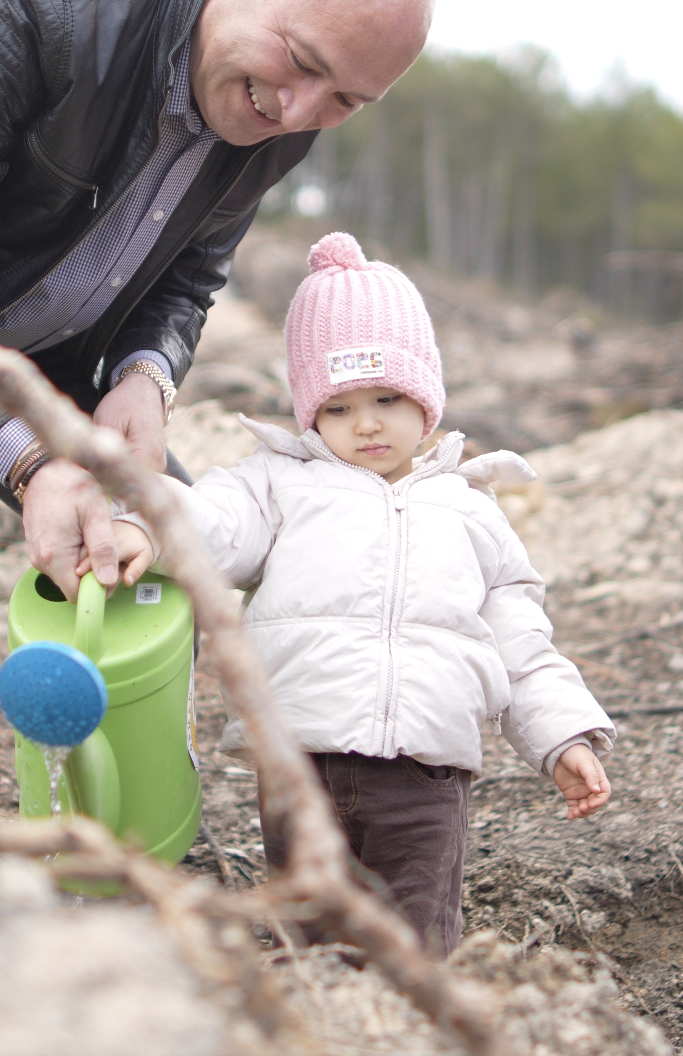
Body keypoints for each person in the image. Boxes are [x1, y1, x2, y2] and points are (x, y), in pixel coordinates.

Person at [0, 0, 436, 836]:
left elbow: (189, 271)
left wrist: (147, 374)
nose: (299, 113)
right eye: (300, 67)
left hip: (1, 334)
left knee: (164, 533)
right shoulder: (25, 1)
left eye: (344, 100)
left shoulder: (286, 97)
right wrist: (29, 460)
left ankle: (143, 824)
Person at [112, 231, 615, 953]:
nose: (367, 423)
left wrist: (560, 735)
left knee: (414, 940)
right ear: (310, 413)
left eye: (386, 398)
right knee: (310, 936)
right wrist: (146, 527)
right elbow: (212, 520)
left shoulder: (471, 509)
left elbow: (522, 643)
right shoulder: (281, 484)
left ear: (427, 400)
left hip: (424, 779)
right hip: (299, 765)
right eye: (339, 407)